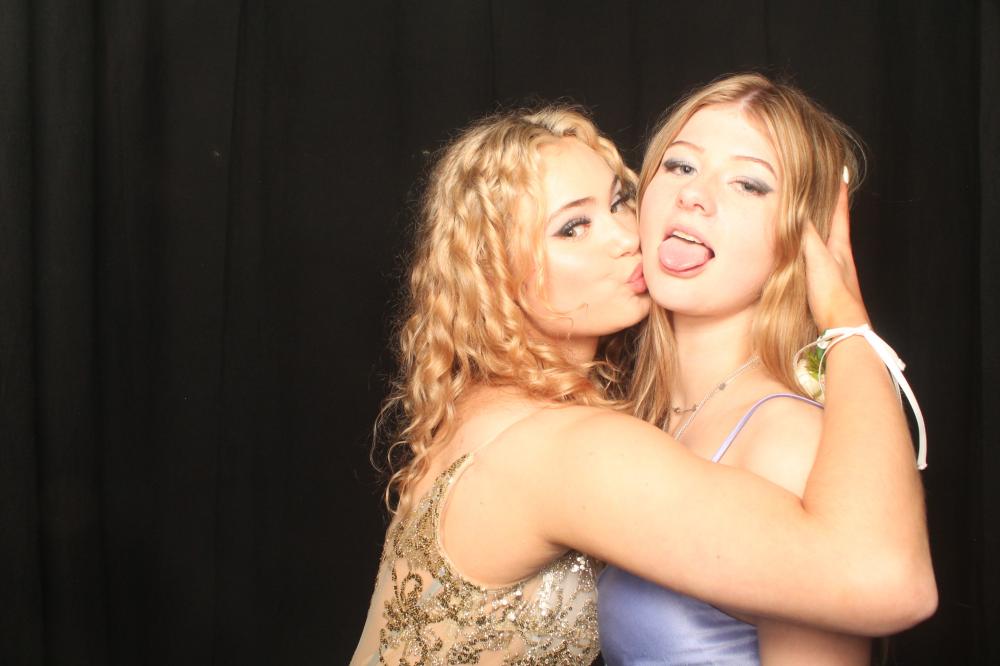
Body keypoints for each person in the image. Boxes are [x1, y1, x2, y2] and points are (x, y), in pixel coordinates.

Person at [350, 105, 935, 665]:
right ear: (492, 274)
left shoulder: (490, 409)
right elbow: (888, 581)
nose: (626, 237)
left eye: (619, 202)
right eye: (573, 228)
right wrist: (847, 322)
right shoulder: (568, 446)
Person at [597, 73, 917, 665]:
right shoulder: (637, 410)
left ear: (800, 240)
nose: (694, 195)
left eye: (748, 183)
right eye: (681, 165)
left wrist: (845, 318)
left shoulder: (788, 439)